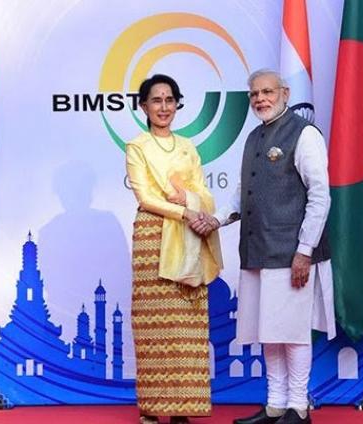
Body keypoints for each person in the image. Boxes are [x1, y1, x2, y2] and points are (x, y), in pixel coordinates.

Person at [197, 69, 336, 424]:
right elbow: (243, 191)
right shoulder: (254, 137)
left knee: (292, 331)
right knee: (269, 333)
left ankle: (298, 407)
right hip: (257, 252)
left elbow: (320, 196)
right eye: (254, 94)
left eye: (267, 92)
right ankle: (275, 405)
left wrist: (305, 250)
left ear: (285, 93)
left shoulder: (304, 134)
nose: (260, 99)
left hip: (291, 254)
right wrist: (218, 219)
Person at [125, 74, 222, 424]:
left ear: (177, 104)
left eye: (169, 100)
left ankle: (182, 407)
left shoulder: (188, 147)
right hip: (154, 237)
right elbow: (146, 197)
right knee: (154, 325)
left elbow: (205, 195)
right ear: (143, 106)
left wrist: (193, 203)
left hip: (190, 235)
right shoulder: (137, 146)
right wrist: (185, 210)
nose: (163, 107)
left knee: (187, 323)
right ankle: (152, 408)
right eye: (156, 100)